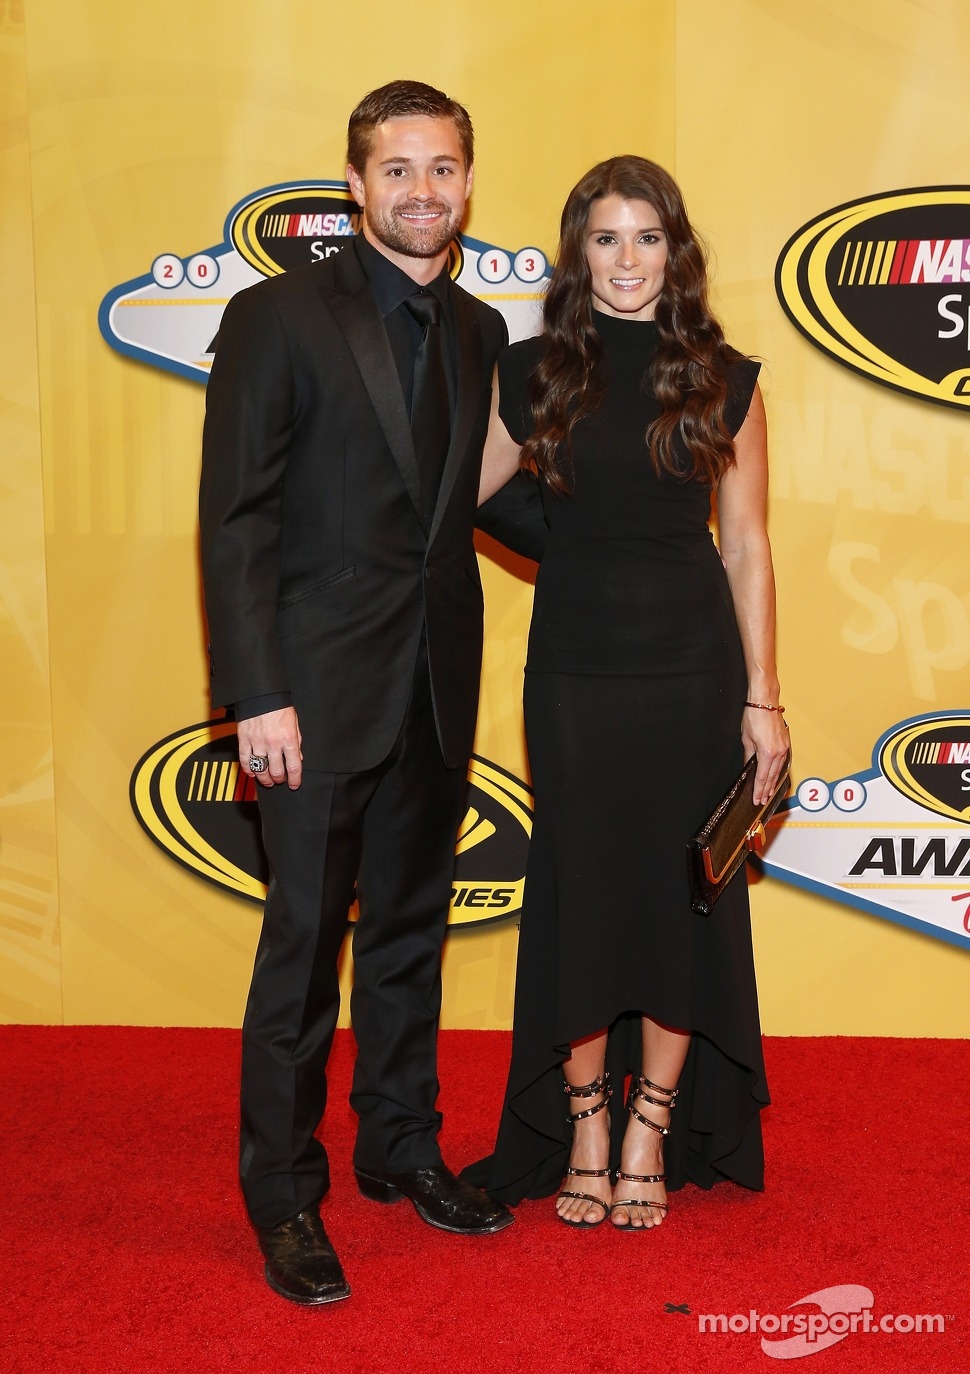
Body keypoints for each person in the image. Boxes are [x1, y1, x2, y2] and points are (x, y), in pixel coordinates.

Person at [199, 80, 522, 1307]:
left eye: (443, 169)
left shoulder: (484, 331)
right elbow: (235, 519)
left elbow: (475, 506)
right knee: (299, 952)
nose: (422, 191)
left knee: (407, 939)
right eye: (398, 169)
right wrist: (255, 695)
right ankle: (282, 1195)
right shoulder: (279, 316)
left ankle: (400, 1146)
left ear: (468, 183)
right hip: (313, 696)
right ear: (354, 182)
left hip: (436, 683)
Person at [466, 156, 789, 1230]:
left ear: (676, 251)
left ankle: (652, 1124)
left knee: (680, 896)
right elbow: (458, 500)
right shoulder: (532, 373)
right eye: (604, 239)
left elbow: (745, 547)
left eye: (645, 238)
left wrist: (764, 698)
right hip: (572, 670)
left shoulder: (725, 377)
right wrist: (561, 545)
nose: (625, 260)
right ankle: (586, 1124)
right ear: (578, 254)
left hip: (691, 670)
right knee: (580, 890)